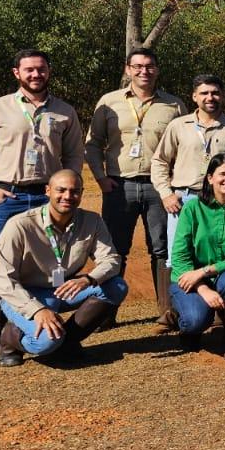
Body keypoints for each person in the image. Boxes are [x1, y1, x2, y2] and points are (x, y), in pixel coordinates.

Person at [0, 48, 86, 350]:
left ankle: (34, 315)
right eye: (29, 70)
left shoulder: (64, 111)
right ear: (16, 73)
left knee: (46, 257)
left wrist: (66, 188)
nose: (36, 75)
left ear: (49, 72)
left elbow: (74, 154)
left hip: (51, 197)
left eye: (41, 69)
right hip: (10, 195)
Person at [85, 47, 185, 331]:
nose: (144, 71)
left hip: (159, 188)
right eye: (138, 66)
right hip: (120, 185)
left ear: (157, 69)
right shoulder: (109, 102)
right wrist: (101, 178)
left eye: (150, 66)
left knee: (163, 248)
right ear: (128, 68)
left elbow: (184, 144)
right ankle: (105, 312)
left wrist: (171, 185)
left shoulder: (174, 105)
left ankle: (168, 312)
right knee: (115, 249)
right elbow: (93, 144)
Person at [0, 169, 127, 367]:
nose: (67, 197)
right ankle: (11, 337)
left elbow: (112, 259)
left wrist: (88, 279)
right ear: (47, 191)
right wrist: (37, 310)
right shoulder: (19, 226)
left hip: (62, 289)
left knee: (117, 286)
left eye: (74, 191)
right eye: (61, 190)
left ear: (81, 193)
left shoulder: (92, 221)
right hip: (24, 295)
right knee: (46, 342)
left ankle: (67, 341)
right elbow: (3, 281)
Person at [152, 74, 225, 250]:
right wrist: (166, 193)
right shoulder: (179, 125)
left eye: (215, 93)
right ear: (194, 96)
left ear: (223, 95)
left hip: (221, 201)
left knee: (217, 254)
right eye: (204, 93)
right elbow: (160, 161)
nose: (210, 98)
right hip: (183, 201)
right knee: (179, 256)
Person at [167, 153, 225, 359]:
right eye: (222, 174)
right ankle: (185, 323)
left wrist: (205, 271)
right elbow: (180, 256)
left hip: (223, 274)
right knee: (196, 320)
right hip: (189, 277)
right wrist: (203, 287)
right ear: (210, 178)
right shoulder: (192, 208)